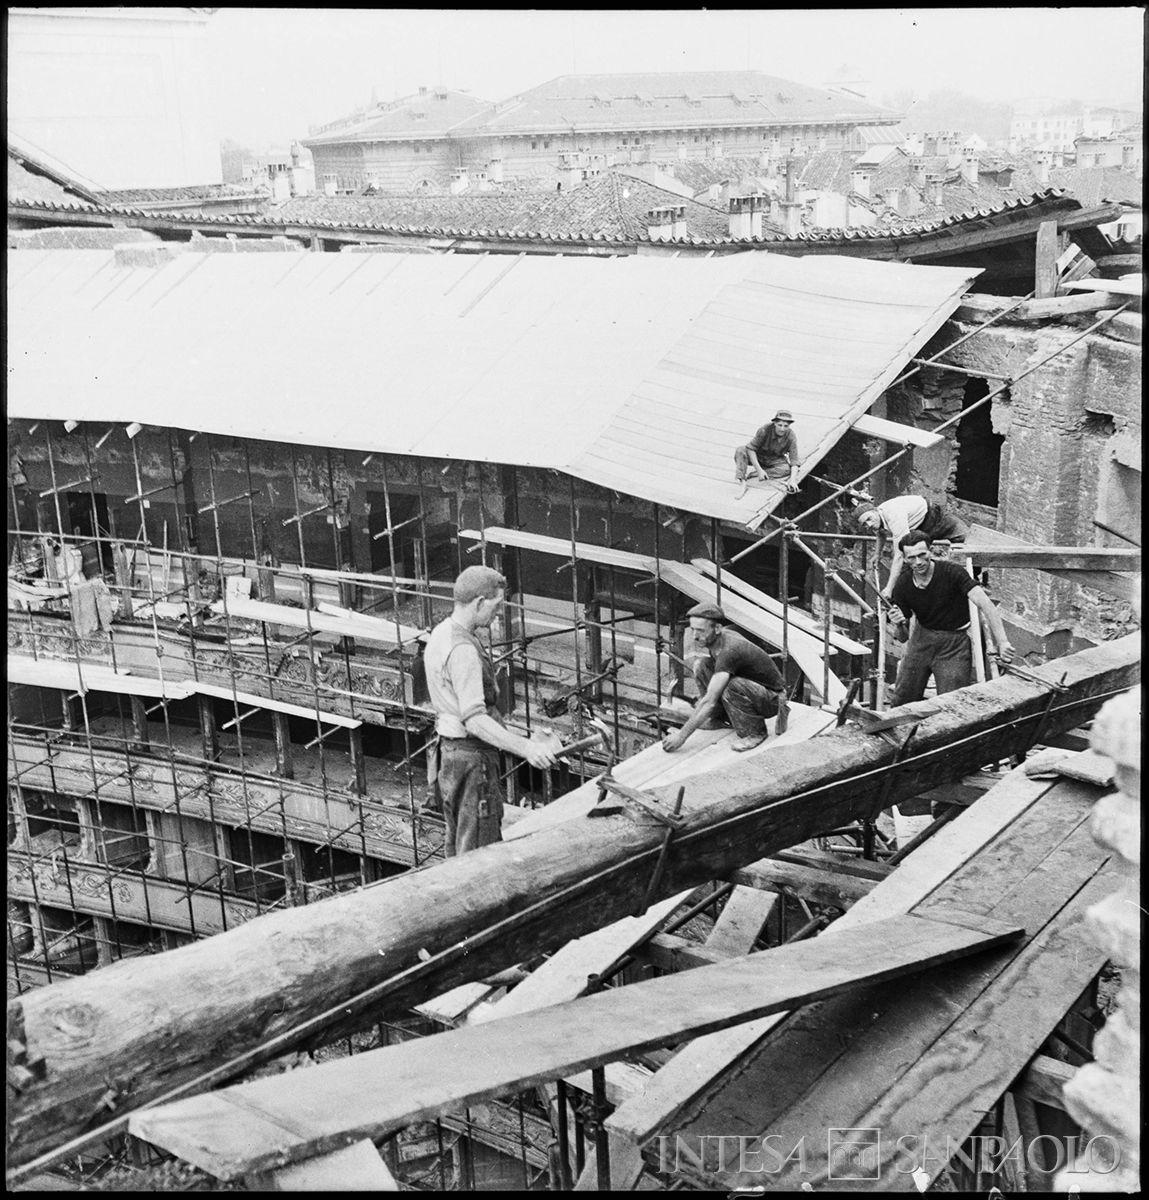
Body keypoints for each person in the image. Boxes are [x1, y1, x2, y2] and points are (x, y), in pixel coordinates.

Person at [424, 565, 557, 856]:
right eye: (495, 606)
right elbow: (474, 720)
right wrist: (527, 748)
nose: (497, 614)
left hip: (450, 757)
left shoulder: (442, 634)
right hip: (473, 763)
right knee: (480, 857)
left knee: (460, 846)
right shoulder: (463, 651)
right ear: (479, 602)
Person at [886, 530, 1014, 707]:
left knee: (952, 704)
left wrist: (1003, 642)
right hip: (921, 640)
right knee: (902, 698)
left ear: (931, 550)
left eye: (922, 555)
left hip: (954, 644)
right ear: (905, 559)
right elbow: (902, 637)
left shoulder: (952, 572)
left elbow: (986, 605)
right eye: (912, 558)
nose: (918, 562)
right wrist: (899, 624)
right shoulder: (903, 584)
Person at [663, 602, 789, 754]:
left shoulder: (729, 650)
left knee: (732, 686)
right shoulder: (719, 640)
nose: (695, 636)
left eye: (701, 631)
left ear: (717, 629)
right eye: (693, 630)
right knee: (701, 665)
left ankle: (755, 732)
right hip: (754, 689)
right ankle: (719, 716)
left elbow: (709, 701)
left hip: (773, 699)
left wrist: (681, 736)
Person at [855, 494, 970, 599]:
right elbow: (880, 533)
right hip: (918, 528)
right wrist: (877, 554)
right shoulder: (877, 518)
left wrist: (889, 588)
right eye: (864, 524)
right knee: (909, 563)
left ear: (875, 511)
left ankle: (968, 585)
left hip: (934, 517)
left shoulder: (894, 516)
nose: (868, 524)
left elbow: (899, 556)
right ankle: (904, 602)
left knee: (967, 541)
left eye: (869, 519)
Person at [734, 410, 801, 493]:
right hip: (759, 456)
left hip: (775, 459)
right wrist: (759, 470)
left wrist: (792, 480)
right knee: (740, 450)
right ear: (775, 423)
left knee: (786, 469)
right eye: (780, 425)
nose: (782, 429)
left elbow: (794, 461)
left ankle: (754, 474)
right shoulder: (764, 430)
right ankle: (742, 479)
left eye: (786, 426)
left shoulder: (791, 436)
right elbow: (751, 448)